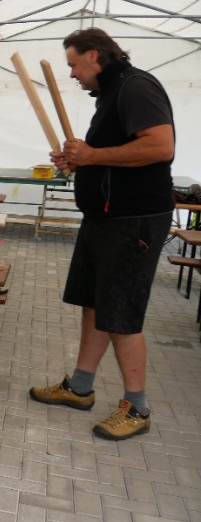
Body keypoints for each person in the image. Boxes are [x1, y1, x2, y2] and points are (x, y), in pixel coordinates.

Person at [29, 27, 175, 441]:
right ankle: (80, 386)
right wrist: (83, 161)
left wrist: (92, 154)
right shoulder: (111, 94)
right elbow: (114, 157)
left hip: (133, 221)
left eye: (74, 64)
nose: (72, 74)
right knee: (94, 304)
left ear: (94, 56)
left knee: (121, 314)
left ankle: (137, 407)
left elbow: (160, 146)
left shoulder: (136, 87)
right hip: (105, 219)